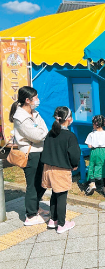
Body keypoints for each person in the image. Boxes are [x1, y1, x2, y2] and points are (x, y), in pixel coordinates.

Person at [9, 86, 49, 226]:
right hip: (30, 153)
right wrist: (41, 131)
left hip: (40, 151)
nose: (38, 100)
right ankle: (30, 215)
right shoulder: (20, 117)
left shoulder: (35, 113)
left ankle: (35, 206)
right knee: (32, 184)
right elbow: (37, 135)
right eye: (36, 97)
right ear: (27, 100)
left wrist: (41, 131)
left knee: (42, 181)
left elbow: (44, 129)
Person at [40, 106, 80, 233]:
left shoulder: (50, 133)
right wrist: (75, 164)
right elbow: (74, 153)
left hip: (48, 168)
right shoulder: (69, 136)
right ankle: (62, 224)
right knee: (62, 196)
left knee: (54, 194)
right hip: (61, 169)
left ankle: (53, 219)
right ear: (68, 119)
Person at [85, 115, 105, 195]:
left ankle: (92, 183)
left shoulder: (91, 134)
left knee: (92, 165)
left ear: (94, 124)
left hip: (94, 151)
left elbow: (89, 145)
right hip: (104, 152)